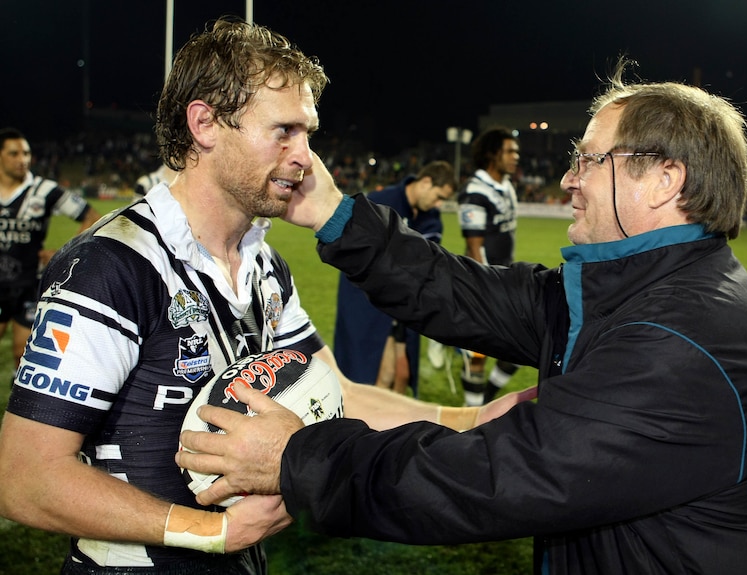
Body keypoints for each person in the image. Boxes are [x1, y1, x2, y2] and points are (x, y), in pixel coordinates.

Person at [176, 60, 747, 574]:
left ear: (664, 180)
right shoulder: (641, 291)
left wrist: (297, 457)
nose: (569, 179)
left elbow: (487, 479)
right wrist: (337, 216)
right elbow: (468, 293)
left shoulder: (677, 343)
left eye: (588, 158)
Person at [0, 18, 529, 575]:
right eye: (284, 131)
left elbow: (338, 395)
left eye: (308, 133)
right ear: (204, 123)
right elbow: (25, 474)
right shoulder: (114, 264)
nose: (306, 157)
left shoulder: (265, 265)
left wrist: (470, 420)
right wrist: (213, 531)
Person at [333, 160, 456, 395]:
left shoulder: (430, 218)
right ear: (426, 182)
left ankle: (390, 428)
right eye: (438, 196)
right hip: (366, 301)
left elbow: (427, 262)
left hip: (402, 302)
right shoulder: (381, 202)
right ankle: (369, 428)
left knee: (402, 375)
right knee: (374, 375)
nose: (439, 204)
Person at [0, 127, 101, 375]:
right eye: (14, 153)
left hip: (29, 282)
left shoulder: (44, 190)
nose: (22, 159)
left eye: (26, 153)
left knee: (22, 353)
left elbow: (91, 216)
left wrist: (64, 251)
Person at [457, 126, 521, 405]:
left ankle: (484, 400)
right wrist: (486, 288)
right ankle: (473, 417)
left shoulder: (506, 186)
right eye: (509, 151)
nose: (516, 156)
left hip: (505, 278)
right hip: (482, 284)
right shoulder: (475, 191)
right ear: (493, 154)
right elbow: (474, 247)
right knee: (477, 356)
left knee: (520, 347)